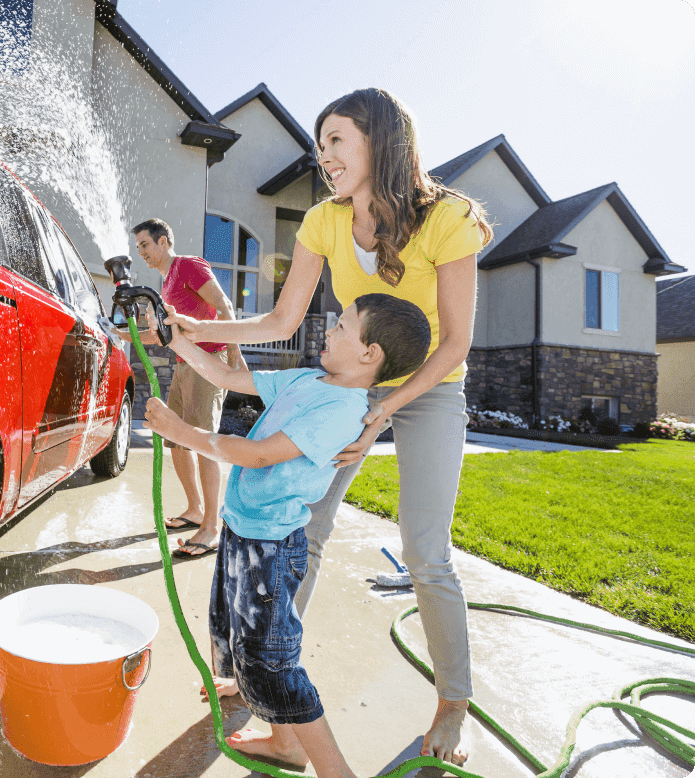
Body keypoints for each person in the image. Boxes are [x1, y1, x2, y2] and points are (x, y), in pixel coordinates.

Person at [162, 88, 494, 767]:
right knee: (301, 529)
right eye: (322, 141)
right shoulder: (322, 220)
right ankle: (270, 673)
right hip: (349, 387)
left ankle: (453, 703)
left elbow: (455, 342)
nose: (325, 154)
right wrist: (204, 329)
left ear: (380, 141)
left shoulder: (449, 218)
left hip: (428, 387)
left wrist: (385, 412)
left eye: (338, 139)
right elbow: (281, 323)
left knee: (425, 549)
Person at [144, 294, 432, 777]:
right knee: (237, 634)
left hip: (271, 551)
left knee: (274, 665)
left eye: (342, 326)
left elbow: (258, 455)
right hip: (243, 531)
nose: (329, 330)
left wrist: (182, 431)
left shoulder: (342, 411)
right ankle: (278, 735)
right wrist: (177, 338)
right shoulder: (307, 379)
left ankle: (331, 768)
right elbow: (227, 377)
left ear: (370, 353)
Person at [119, 218, 246, 558]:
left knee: (204, 442)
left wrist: (235, 356)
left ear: (163, 241)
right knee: (176, 438)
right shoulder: (166, 285)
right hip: (184, 365)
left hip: (208, 364)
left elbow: (223, 305)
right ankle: (194, 509)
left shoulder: (188, 266)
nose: (141, 252)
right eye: (138, 247)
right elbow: (163, 335)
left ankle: (211, 527)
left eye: (145, 245)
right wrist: (120, 333)